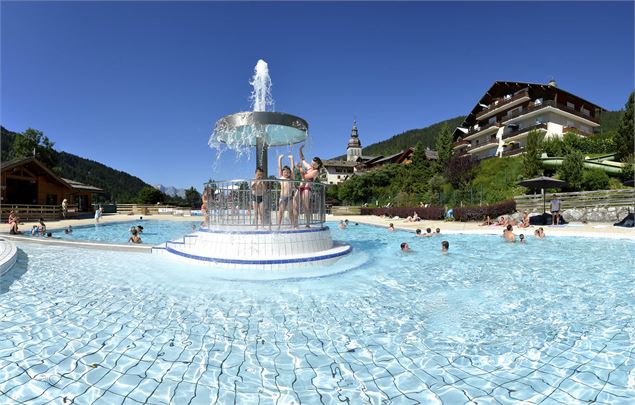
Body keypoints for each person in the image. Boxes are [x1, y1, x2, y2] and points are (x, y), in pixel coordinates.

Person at [297, 144, 323, 228]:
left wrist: (300, 169)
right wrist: (300, 149)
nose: (312, 163)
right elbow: (302, 159)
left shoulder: (316, 172)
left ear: (318, 165)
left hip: (307, 189)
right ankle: (295, 222)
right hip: (301, 187)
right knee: (295, 204)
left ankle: (307, 223)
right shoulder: (309, 167)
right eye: (312, 161)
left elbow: (305, 177)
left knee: (305, 206)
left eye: (314, 163)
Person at [277, 154, 295, 229]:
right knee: (281, 212)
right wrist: (280, 159)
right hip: (282, 197)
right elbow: (279, 168)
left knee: (290, 212)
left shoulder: (291, 178)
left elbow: (293, 168)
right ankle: (278, 225)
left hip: (290, 197)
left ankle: (292, 225)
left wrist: (291, 159)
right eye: (285, 172)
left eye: (288, 172)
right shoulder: (281, 178)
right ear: (282, 172)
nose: (286, 173)